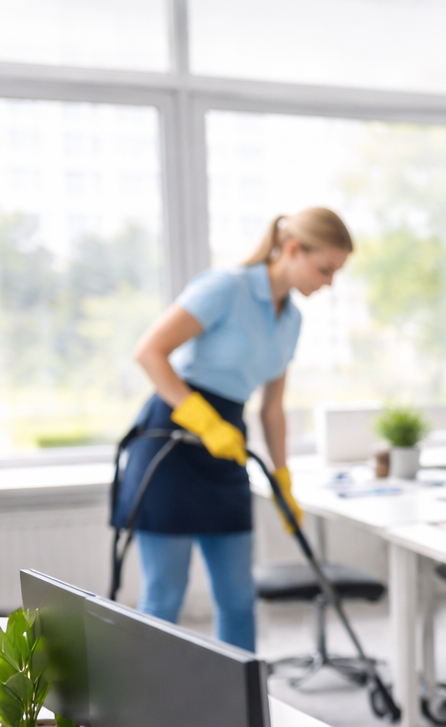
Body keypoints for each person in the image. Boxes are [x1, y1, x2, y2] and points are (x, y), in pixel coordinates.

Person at [112, 208, 353, 651]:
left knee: (239, 599)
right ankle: (149, 695)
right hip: (172, 444)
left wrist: (282, 478)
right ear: (293, 249)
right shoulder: (226, 287)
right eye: (325, 269)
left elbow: (272, 409)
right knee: (164, 596)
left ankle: (241, 695)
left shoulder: (291, 319)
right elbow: (149, 352)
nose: (329, 282)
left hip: (227, 445)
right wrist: (203, 420)